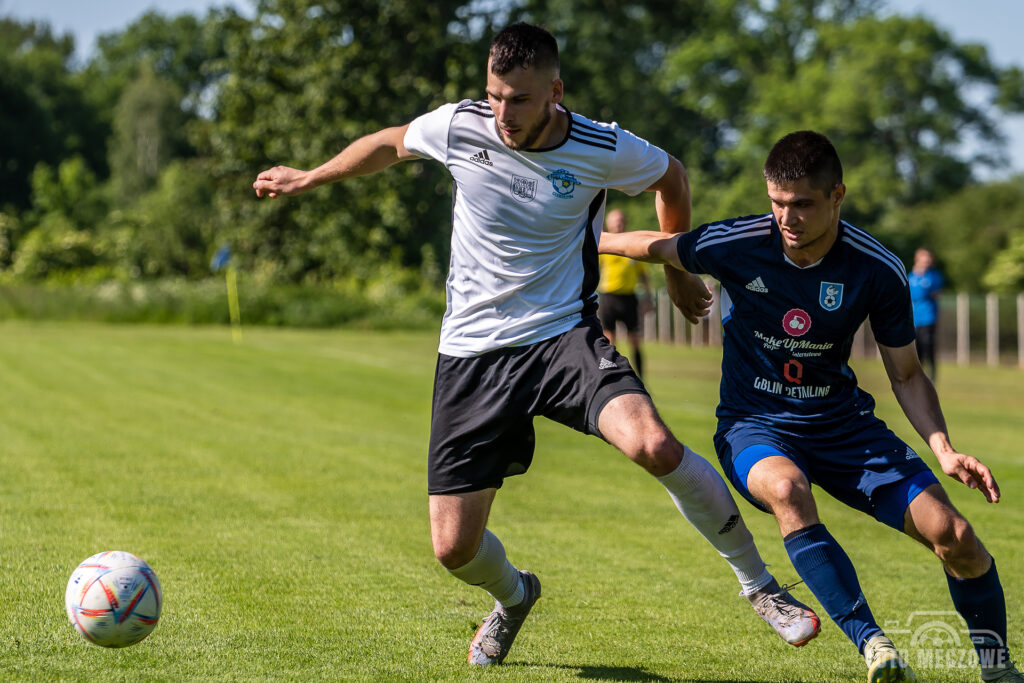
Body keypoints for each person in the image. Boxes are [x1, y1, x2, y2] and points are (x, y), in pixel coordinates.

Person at [253, 23, 820, 667]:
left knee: (655, 443)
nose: (502, 113)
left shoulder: (601, 147)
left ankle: (761, 587)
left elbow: (672, 177)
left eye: (519, 99)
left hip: (562, 337)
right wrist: (308, 177)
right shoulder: (459, 125)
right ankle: (515, 595)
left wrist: (677, 270)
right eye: (494, 95)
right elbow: (389, 145)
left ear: (554, 91)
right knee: (453, 550)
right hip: (470, 354)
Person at [599, 130, 1020, 683]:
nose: (786, 217)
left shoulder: (876, 269)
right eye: (777, 203)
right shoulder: (738, 242)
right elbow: (647, 245)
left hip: (844, 428)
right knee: (786, 490)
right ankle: (875, 647)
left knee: (957, 539)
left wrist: (943, 449)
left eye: (802, 204)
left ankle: (998, 669)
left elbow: (908, 374)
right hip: (755, 427)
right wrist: (576, 237)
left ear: (837, 196)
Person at [598, 209, 651, 377]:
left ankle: (641, 379)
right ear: (608, 224)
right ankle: (609, 378)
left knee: (635, 341)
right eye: (615, 221)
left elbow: (644, 275)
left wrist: (648, 298)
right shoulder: (603, 244)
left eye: (620, 220)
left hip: (629, 298)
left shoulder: (632, 245)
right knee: (610, 342)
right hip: (609, 298)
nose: (618, 224)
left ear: (625, 223)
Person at [908, 247, 944, 381]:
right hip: (913, 320)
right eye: (924, 259)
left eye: (929, 259)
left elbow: (932, 293)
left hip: (928, 318)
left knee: (929, 348)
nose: (927, 262)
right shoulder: (910, 277)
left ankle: (933, 379)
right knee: (916, 352)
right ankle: (918, 379)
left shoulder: (934, 277)